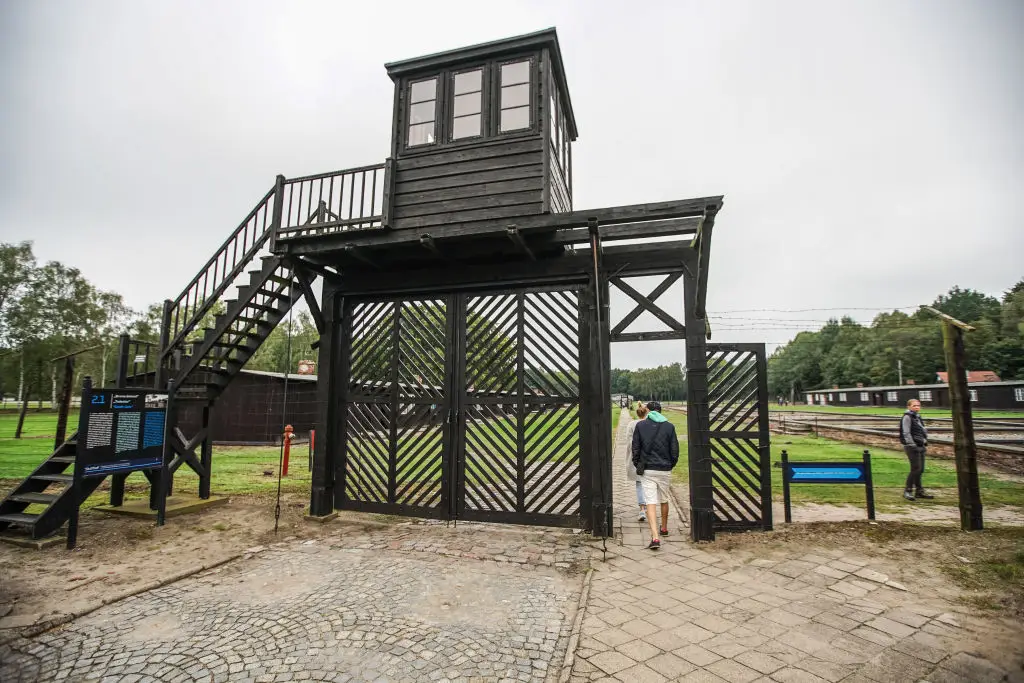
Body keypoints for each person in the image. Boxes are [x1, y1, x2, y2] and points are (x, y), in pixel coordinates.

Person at [631, 400, 679, 550]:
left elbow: (636, 448)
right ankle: (664, 527)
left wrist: (637, 464)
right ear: (660, 411)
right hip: (664, 469)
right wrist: (670, 465)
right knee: (664, 499)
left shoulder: (640, 426)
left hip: (648, 469)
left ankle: (655, 537)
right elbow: (675, 451)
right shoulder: (670, 427)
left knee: (650, 501)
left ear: (648, 411)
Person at [899, 399, 934, 501]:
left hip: (921, 445)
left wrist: (924, 440)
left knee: (921, 469)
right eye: (914, 406)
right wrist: (911, 444)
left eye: (918, 405)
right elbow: (906, 432)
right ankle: (908, 490)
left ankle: (919, 491)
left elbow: (921, 430)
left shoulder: (917, 417)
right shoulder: (907, 417)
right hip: (912, 446)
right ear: (909, 406)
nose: (917, 407)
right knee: (915, 469)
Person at [624, 403, 650, 522]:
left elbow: (629, 442)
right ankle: (650, 508)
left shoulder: (631, 424)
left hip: (636, 458)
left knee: (639, 484)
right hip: (649, 458)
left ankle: (642, 509)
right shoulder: (650, 424)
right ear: (647, 413)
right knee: (649, 484)